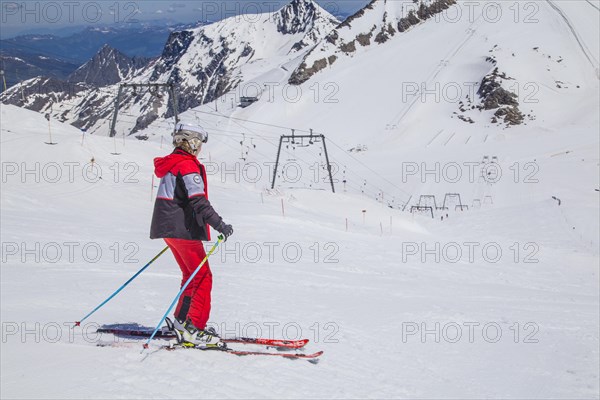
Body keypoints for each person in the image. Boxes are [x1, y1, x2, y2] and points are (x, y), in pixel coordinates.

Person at [150, 123, 233, 349]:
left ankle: (181, 322)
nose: (200, 150)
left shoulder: (172, 163)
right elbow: (198, 200)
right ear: (192, 143)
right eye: (199, 144)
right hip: (182, 230)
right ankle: (193, 328)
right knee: (203, 276)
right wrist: (219, 224)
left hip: (169, 229)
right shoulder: (186, 165)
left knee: (191, 274)